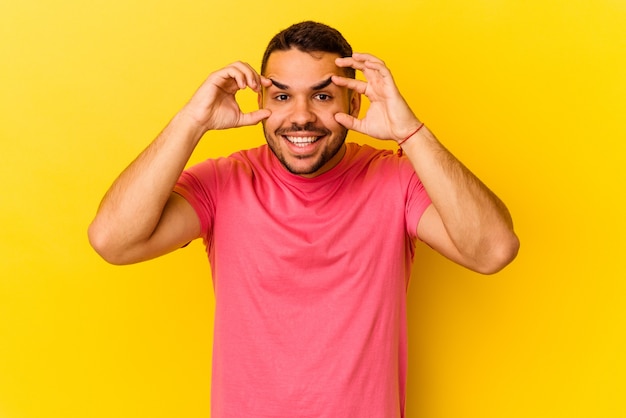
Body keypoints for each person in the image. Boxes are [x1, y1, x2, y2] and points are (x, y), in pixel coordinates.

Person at [88, 21, 519, 418]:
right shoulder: (223, 182)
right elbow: (113, 241)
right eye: (281, 96)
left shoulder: (395, 179)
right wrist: (192, 121)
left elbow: (493, 251)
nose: (300, 116)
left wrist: (411, 133)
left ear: (353, 99)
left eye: (322, 95)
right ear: (260, 102)